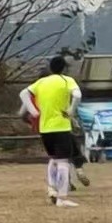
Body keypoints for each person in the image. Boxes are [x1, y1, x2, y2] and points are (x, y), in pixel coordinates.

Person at [20, 56, 84, 208]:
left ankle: (52, 189)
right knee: (63, 162)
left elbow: (23, 94)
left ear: (50, 67)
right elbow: (77, 95)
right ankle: (62, 198)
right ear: (64, 68)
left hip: (45, 128)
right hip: (61, 126)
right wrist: (71, 110)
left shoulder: (41, 82)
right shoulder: (66, 80)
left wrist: (34, 111)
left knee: (53, 159)